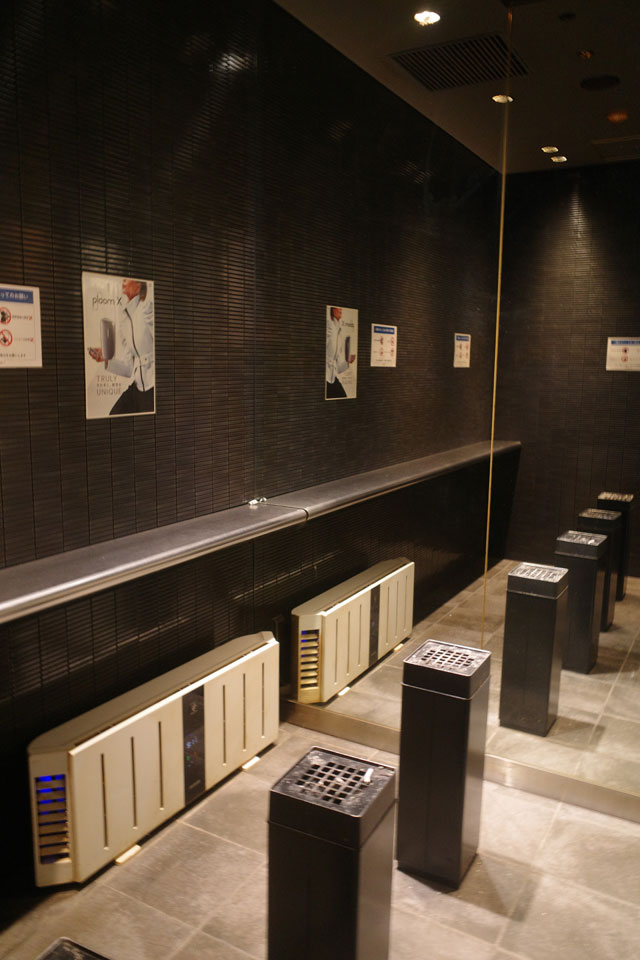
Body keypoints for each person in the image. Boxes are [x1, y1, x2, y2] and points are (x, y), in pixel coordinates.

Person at [88, 278, 155, 415]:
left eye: (128, 279)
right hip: (138, 387)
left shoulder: (147, 308)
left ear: (138, 285)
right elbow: (128, 369)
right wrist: (105, 359)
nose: (124, 280)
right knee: (114, 414)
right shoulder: (124, 320)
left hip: (153, 387)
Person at [326, 306, 355, 398]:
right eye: (338, 308)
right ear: (333, 310)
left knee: (342, 397)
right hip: (324, 377)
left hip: (331, 378)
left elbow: (338, 367)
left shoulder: (339, 333)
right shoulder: (328, 327)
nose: (340, 309)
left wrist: (347, 361)